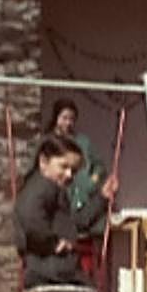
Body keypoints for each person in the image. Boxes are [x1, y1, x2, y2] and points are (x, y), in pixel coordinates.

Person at [15, 133, 118, 292]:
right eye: (64, 167)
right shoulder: (41, 187)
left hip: (48, 269)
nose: (69, 175)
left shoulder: (53, 191)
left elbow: (77, 223)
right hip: (48, 269)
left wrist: (102, 197)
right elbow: (29, 217)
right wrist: (51, 242)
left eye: (73, 170)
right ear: (43, 162)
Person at [48, 97, 109, 257]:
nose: (68, 123)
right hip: (62, 202)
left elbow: (100, 167)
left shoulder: (83, 142)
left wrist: (92, 181)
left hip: (83, 200)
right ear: (56, 118)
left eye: (71, 119)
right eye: (64, 118)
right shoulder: (49, 142)